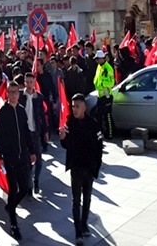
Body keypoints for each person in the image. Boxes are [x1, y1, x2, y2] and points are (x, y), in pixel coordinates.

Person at [60, 94, 104, 245]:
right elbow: (66, 145)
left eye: (77, 106)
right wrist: (63, 138)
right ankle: (78, 230)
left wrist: (96, 166)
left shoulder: (93, 124)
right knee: (75, 200)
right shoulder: (69, 123)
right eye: (72, 106)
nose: (74, 109)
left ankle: (84, 223)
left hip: (89, 167)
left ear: (84, 107)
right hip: (76, 167)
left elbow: (99, 146)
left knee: (87, 198)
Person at [0, 81, 36, 241]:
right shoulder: (3, 111)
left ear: (19, 94)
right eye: (10, 92)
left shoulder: (20, 110)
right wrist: (1, 155)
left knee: (25, 188)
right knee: (12, 190)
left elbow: (26, 131)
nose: (13, 94)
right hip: (10, 158)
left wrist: (32, 150)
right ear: (7, 94)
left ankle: (10, 207)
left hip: (22, 157)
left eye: (15, 92)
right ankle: (13, 224)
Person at [19, 73, 48, 195]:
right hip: (24, 133)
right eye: (27, 82)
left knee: (39, 160)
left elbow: (42, 115)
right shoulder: (20, 96)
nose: (29, 84)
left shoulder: (39, 97)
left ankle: (36, 181)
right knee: (27, 162)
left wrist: (45, 131)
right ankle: (29, 186)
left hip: (35, 132)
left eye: (31, 82)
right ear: (25, 82)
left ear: (34, 82)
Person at [93, 50, 115, 140]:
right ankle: (101, 133)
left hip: (106, 95)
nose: (96, 60)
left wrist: (102, 84)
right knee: (98, 115)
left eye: (97, 59)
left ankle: (109, 134)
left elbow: (112, 82)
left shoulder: (108, 68)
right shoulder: (99, 66)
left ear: (102, 58)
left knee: (107, 116)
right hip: (100, 95)